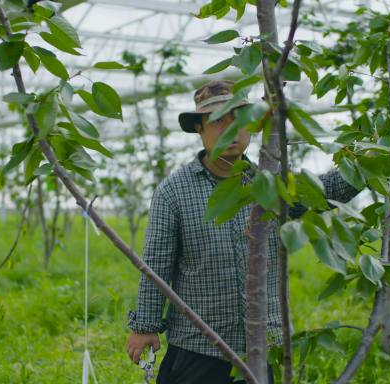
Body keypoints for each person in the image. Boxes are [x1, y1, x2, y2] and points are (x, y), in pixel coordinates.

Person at [126, 80, 360, 384]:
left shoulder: (271, 183)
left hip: (260, 347)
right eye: (217, 120)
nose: (230, 129)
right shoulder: (175, 192)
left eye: (239, 119)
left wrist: (367, 161)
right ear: (199, 128)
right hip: (198, 348)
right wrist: (145, 326)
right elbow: (156, 264)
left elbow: (328, 190)